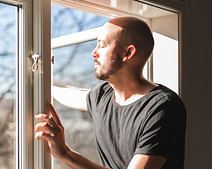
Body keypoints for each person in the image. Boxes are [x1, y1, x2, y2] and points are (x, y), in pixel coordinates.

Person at [35, 16, 186, 169]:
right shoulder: (102, 96)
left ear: (127, 53)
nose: (94, 53)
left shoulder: (163, 107)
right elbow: (69, 95)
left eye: (102, 45)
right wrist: (39, 76)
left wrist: (65, 154)